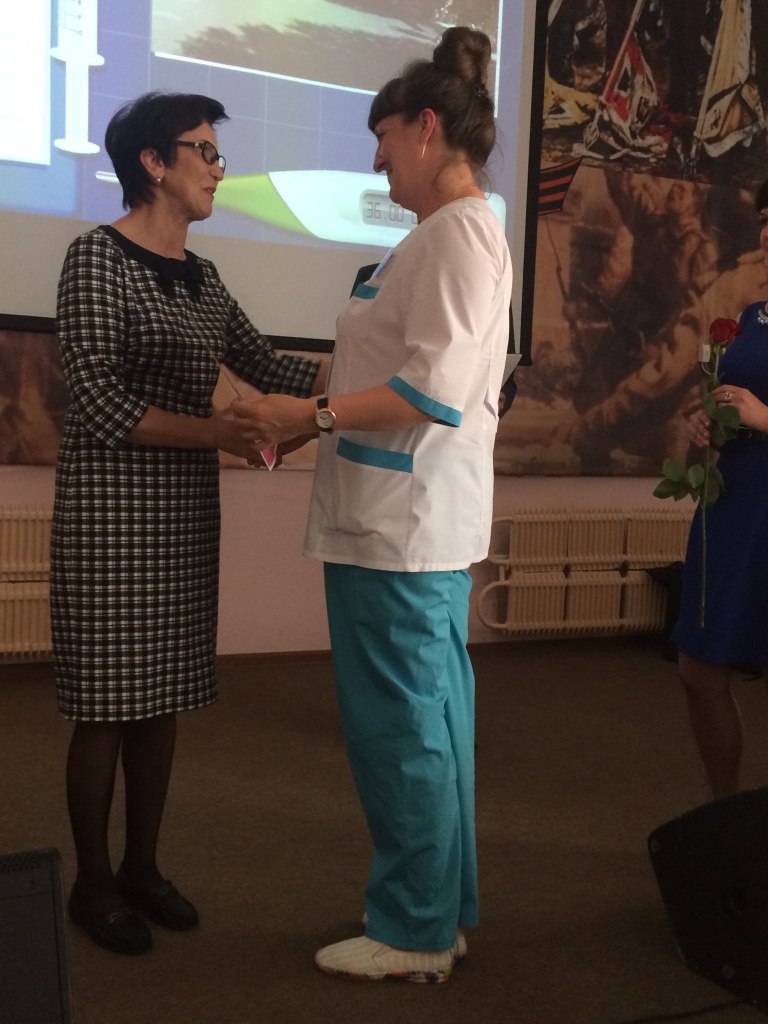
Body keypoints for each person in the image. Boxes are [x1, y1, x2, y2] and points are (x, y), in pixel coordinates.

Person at [233, 26, 512, 983]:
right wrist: (301, 426)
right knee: (427, 725)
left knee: (402, 733)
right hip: (400, 519)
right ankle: (438, 910)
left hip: (402, 529)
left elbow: (433, 392)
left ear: (426, 126)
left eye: (382, 139)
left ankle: (414, 930)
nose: (376, 160)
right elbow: (390, 371)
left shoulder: (456, 237)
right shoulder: (442, 237)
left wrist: (304, 414)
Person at [51, 91, 325, 956]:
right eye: (203, 152)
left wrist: (379, 369)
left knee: (161, 694)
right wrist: (218, 433)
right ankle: (92, 884)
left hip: (180, 514)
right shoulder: (95, 258)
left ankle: (142, 866)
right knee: (106, 704)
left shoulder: (202, 278)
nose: (217, 169)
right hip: (107, 511)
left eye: (217, 153)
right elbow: (98, 401)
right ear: (153, 163)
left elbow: (268, 366)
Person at [673, 176, 768, 800]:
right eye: (766, 220)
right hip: (730, 507)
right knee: (699, 670)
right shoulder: (751, 317)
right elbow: (725, 401)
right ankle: (726, 812)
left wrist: (764, 417)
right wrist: (706, 422)